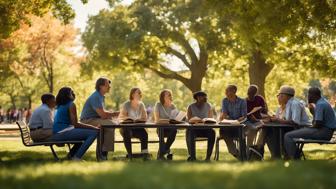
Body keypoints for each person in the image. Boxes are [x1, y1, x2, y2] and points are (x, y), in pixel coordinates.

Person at [284, 87, 336, 159]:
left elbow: (318, 124)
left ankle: (295, 159)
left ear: (313, 95)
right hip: (326, 132)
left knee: (288, 136)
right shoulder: (322, 102)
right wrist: (313, 112)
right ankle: (296, 156)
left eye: (308, 95)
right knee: (294, 134)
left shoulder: (320, 104)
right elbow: (318, 122)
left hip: (323, 133)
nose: (307, 97)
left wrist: (308, 128)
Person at [51, 87, 99, 161]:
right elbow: (75, 124)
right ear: (68, 95)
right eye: (72, 92)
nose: (74, 94)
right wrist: (94, 127)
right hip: (62, 132)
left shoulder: (59, 105)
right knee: (94, 133)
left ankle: (71, 156)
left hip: (57, 132)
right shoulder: (71, 105)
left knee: (83, 135)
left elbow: (72, 124)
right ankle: (77, 157)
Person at [80, 77, 119, 160]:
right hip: (87, 121)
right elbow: (103, 115)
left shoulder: (101, 96)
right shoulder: (96, 97)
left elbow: (102, 113)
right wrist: (116, 114)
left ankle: (102, 155)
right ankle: (103, 154)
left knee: (109, 125)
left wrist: (112, 115)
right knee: (110, 125)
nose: (109, 86)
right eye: (107, 85)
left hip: (94, 119)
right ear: (101, 86)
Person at [119, 87, 149, 158]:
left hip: (137, 127)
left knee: (144, 134)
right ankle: (130, 154)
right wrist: (128, 118)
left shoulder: (141, 104)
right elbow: (121, 117)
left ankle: (144, 155)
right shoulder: (126, 104)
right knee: (126, 132)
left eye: (140, 93)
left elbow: (145, 117)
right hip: (126, 128)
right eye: (138, 93)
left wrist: (139, 119)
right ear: (132, 95)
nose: (140, 94)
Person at [219, 85, 247, 159]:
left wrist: (236, 120)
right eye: (226, 91)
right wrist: (230, 119)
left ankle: (244, 155)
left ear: (234, 91)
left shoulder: (242, 101)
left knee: (242, 134)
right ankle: (236, 153)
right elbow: (224, 115)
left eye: (227, 91)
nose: (225, 93)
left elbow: (244, 116)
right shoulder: (224, 101)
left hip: (238, 126)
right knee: (223, 131)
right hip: (228, 126)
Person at [186, 91, 215, 161]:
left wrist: (208, 121)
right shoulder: (191, 106)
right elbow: (189, 120)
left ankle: (208, 157)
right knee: (189, 133)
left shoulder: (208, 106)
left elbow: (210, 119)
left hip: (206, 129)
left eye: (204, 96)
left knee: (212, 133)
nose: (202, 98)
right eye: (200, 97)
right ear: (197, 98)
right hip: (194, 129)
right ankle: (192, 156)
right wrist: (195, 121)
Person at [153, 89, 178, 160]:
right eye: (169, 95)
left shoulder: (173, 106)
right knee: (161, 131)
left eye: (171, 95)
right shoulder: (158, 105)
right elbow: (157, 120)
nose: (170, 96)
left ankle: (162, 152)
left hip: (170, 128)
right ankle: (164, 152)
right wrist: (169, 121)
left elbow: (176, 118)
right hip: (161, 128)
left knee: (174, 130)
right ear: (163, 97)